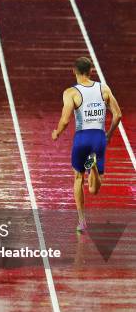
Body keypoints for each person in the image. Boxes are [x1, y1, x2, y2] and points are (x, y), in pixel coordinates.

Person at [52, 56, 122, 231]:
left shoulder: (71, 93)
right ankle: (94, 167)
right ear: (91, 71)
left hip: (82, 138)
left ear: (74, 71)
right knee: (94, 190)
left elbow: (66, 119)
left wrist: (57, 132)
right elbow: (118, 115)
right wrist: (109, 134)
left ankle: (82, 221)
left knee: (78, 178)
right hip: (98, 137)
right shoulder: (103, 89)